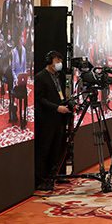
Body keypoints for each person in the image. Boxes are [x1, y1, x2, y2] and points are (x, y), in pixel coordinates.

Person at [34, 51, 71, 191]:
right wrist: (56, 108)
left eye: (61, 60)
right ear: (49, 61)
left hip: (59, 118)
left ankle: (55, 175)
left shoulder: (58, 76)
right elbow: (39, 99)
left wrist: (68, 105)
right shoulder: (41, 77)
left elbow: (60, 96)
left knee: (57, 147)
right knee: (44, 149)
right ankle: (39, 180)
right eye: (57, 60)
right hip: (46, 119)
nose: (60, 63)